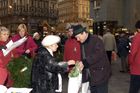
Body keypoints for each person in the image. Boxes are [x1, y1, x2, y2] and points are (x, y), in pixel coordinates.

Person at [72, 24, 111, 93]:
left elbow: (98, 54)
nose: (77, 40)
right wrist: (81, 64)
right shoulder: (82, 42)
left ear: (83, 33)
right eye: (76, 38)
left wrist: (84, 62)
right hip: (91, 75)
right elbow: (84, 56)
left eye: (78, 37)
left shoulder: (96, 40)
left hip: (100, 75)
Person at [128, 20, 140, 93]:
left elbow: (133, 52)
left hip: (137, 68)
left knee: (133, 89)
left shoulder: (137, 37)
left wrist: (130, 62)